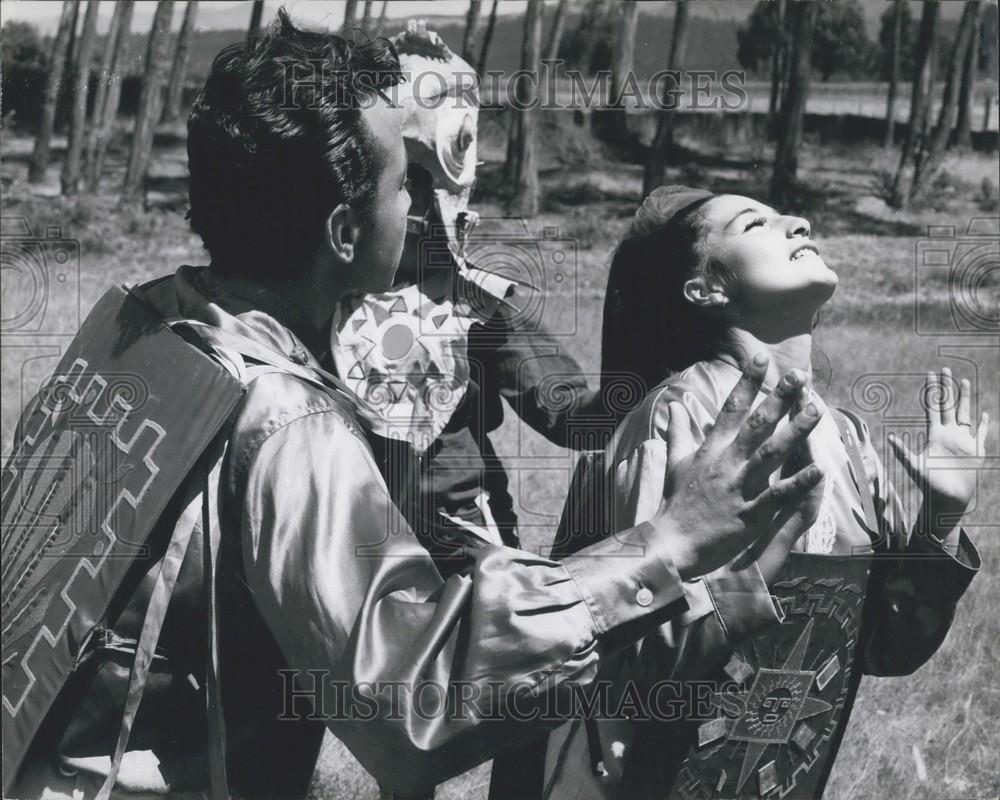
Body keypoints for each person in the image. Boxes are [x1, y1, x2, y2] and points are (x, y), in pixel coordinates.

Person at [3, 19, 828, 800]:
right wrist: (668, 543)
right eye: (404, 183)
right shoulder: (284, 421)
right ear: (343, 231)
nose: (421, 209)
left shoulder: (141, 324)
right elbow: (408, 704)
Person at [527, 186, 985, 800]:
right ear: (706, 290)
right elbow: (621, 657)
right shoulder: (675, 416)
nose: (799, 220)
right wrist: (743, 583)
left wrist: (939, 526)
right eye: (755, 222)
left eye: (787, 215)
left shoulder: (846, 441)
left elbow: (882, 649)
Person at [331, 23, 608, 568]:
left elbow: (572, 414)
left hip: (467, 553)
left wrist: (645, 370)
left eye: (423, 187)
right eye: (398, 182)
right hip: (352, 551)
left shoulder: (475, 304)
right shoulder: (316, 299)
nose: (411, 208)